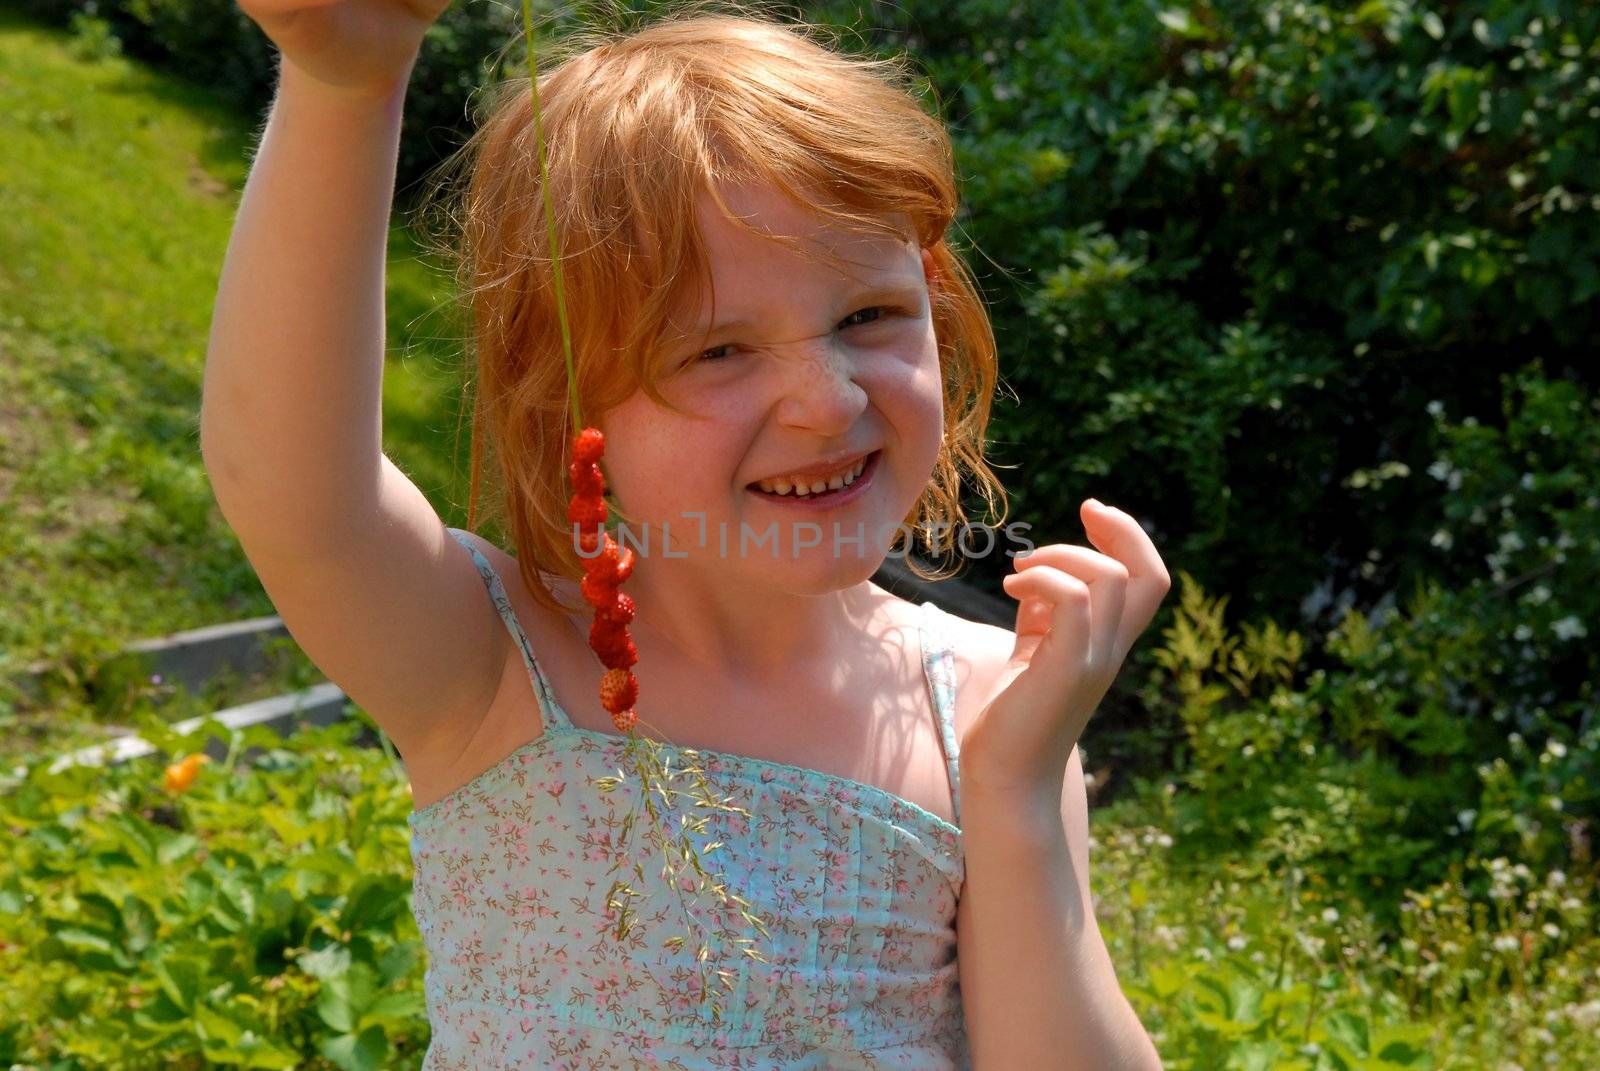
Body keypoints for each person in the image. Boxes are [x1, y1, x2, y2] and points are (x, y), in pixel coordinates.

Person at [200, 1, 1171, 1067]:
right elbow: (286, 480)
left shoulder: (991, 712)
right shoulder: (493, 660)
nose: (824, 399)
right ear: (566, 394)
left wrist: (1016, 797)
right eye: (715, 352)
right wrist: (348, 87)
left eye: (868, 317)